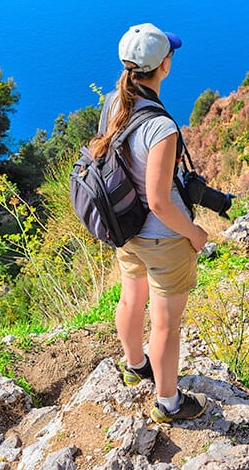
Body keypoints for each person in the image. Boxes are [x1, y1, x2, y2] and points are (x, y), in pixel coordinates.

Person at [89, 23, 208, 424]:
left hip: (125, 230)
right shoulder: (161, 127)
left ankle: (134, 365)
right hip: (164, 239)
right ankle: (169, 403)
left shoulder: (112, 103)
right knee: (166, 325)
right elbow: (159, 200)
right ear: (165, 66)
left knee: (130, 298)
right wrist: (193, 233)